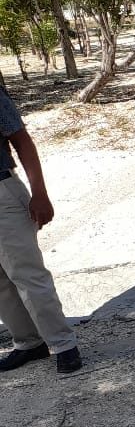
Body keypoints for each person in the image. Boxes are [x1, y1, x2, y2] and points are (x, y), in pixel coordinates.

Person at [0, 85, 82, 374]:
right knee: (1, 283)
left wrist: (40, 193)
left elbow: (22, 142)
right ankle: (29, 343)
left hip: (3, 193)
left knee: (27, 274)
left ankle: (63, 345)